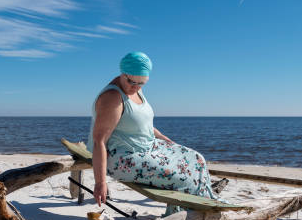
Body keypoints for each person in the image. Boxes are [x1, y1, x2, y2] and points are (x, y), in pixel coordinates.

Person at [87, 52, 218, 210]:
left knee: (197, 159)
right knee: (181, 177)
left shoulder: (136, 89)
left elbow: (141, 123)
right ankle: (183, 215)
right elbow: (99, 141)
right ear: (122, 73)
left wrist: (163, 138)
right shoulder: (113, 98)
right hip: (124, 157)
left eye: (141, 83)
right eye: (131, 81)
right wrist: (100, 183)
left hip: (149, 147)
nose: (135, 87)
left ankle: (205, 204)